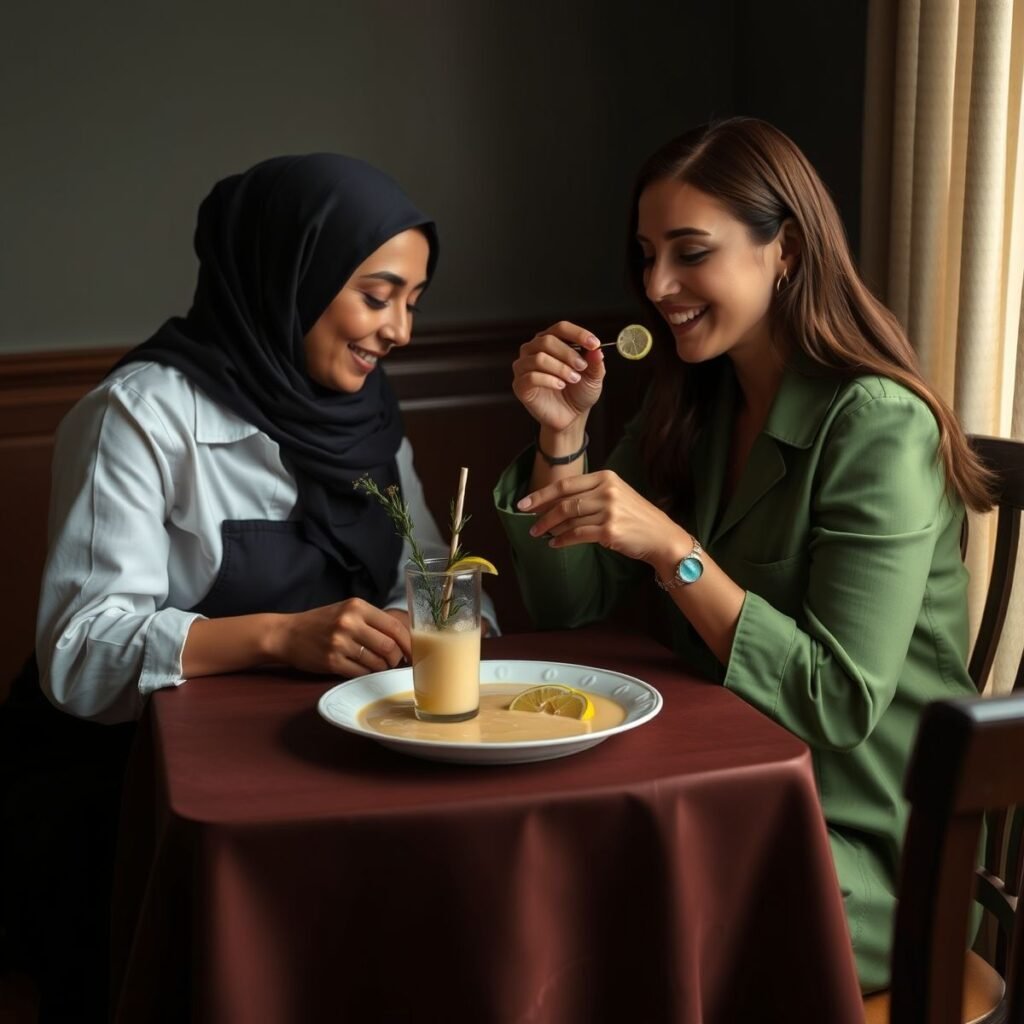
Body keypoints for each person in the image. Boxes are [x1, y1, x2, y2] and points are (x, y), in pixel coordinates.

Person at [495, 117, 992, 993]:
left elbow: (837, 701)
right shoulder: (696, 403)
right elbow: (569, 603)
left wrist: (676, 551)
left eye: (691, 253)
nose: (657, 285)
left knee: (591, 914)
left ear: (785, 250)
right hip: (714, 799)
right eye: (647, 255)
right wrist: (563, 437)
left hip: (856, 856)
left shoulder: (878, 427)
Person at [0, 153, 496, 1021]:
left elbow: (432, 580)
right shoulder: (139, 415)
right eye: (378, 297)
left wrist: (423, 621)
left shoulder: (370, 419)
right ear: (289, 275)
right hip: (128, 801)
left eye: (413, 303)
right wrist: (281, 635)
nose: (401, 332)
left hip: (318, 774)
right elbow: (78, 654)